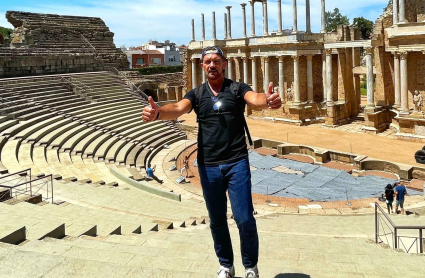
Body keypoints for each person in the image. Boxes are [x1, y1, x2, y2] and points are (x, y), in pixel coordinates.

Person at [142, 46, 281, 278]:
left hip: (236, 162)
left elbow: (254, 99)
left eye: (217, 60)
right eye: (208, 61)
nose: (212, 65)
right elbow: (177, 108)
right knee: (217, 220)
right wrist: (158, 113)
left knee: (244, 218)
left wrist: (267, 100)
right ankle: (226, 264)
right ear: (202, 65)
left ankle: (250, 267)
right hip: (208, 166)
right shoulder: (196, 94)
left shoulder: (236, 89)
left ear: (224, 64)